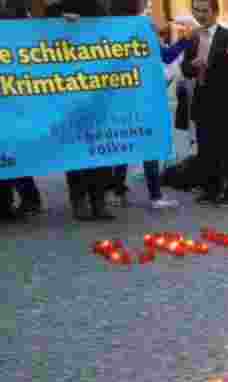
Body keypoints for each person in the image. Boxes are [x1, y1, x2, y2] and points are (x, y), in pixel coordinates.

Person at [108, 0, 185, 209]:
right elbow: (167, 56)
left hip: (121, 94)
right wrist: (185, 41)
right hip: (145, 95)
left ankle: (117, 191)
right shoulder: (145, 27)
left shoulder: (110, 28)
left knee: (124, 141)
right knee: (149, 142)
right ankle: (155, 196)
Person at [46, 0, 116, 220]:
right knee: (74, 148)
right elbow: (40, 44)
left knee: (99, 148)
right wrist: (60, 26)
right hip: (67, 90)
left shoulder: (99, 8)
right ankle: (79, 199)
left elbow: (111, 36)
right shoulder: (53, 11)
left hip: (96, 90)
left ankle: (99, 200)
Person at [181, 0, 228, 207]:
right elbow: (185, 68)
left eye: (205, 11)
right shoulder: (193, 38)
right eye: (197, 10)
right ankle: (210, 190)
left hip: (224, 101)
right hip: (202, 101)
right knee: (206, 148)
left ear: (215, 11)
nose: (200, 15)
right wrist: (191, 66)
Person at [0, 0, 44, 218]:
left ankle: (28, 199)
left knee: (10, 152)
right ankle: (11, 202)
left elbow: (34, 38)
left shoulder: (14, 15)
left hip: (12, 95)